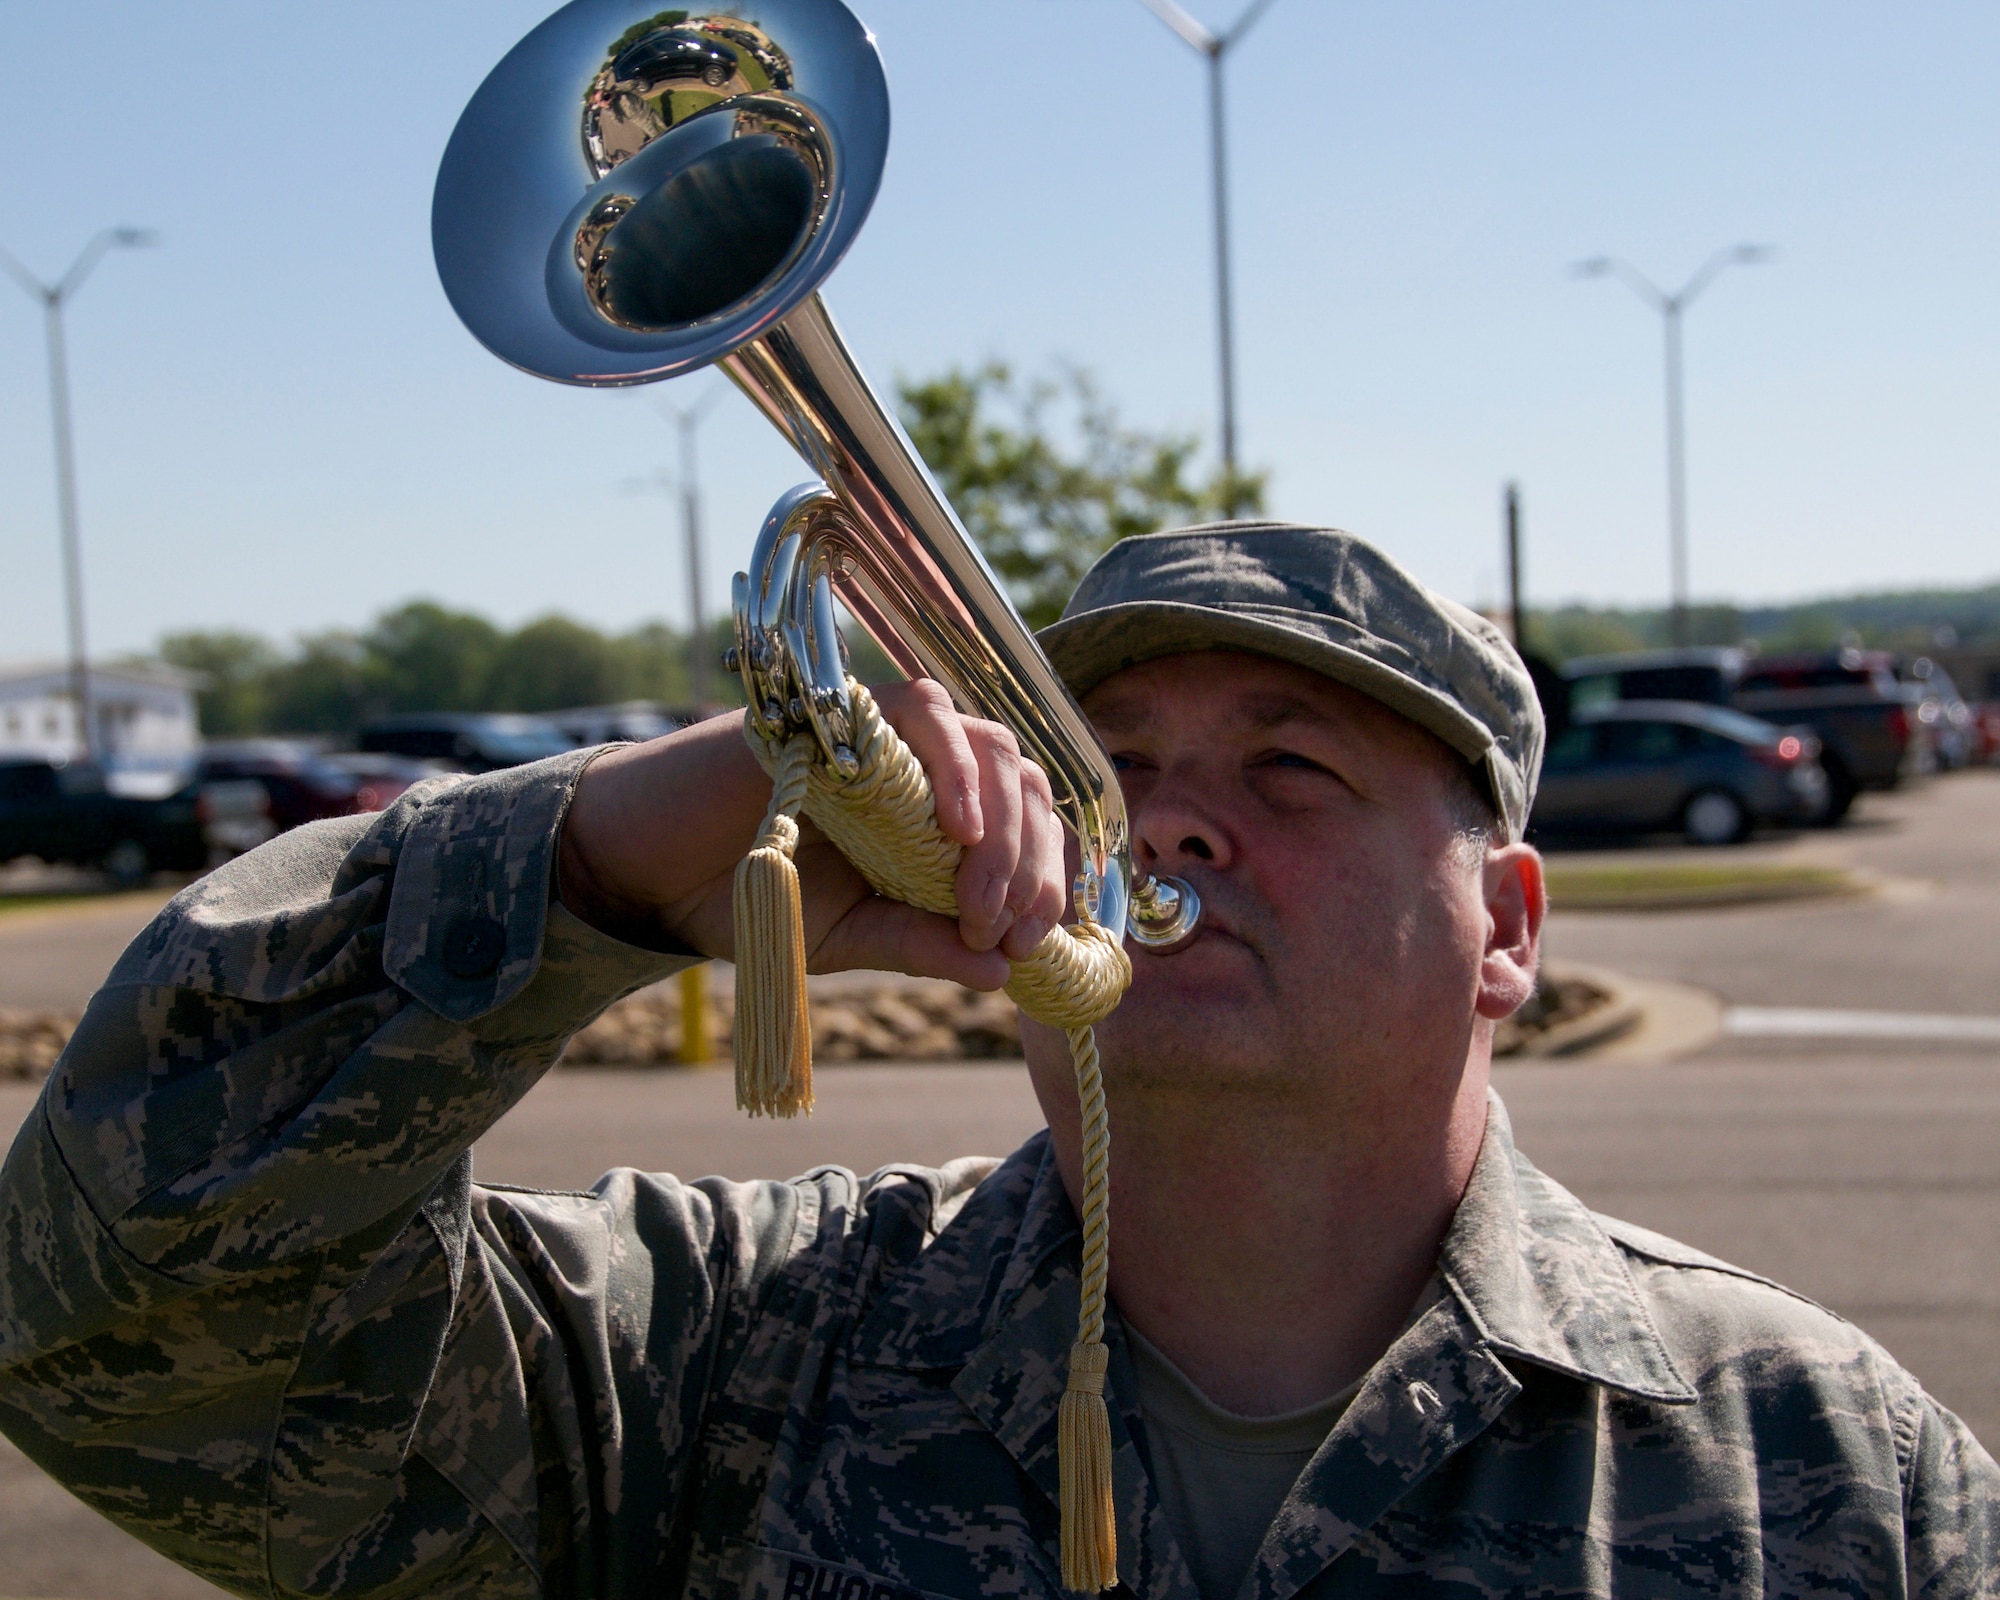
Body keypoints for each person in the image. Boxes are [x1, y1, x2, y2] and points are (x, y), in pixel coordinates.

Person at [0, 523, 1992, 1600]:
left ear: (1513, 934)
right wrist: (620, 859)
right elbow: (125, 1323)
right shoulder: (724, 1351)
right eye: (1112, 772)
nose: (1174, 827)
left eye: (1286, 768)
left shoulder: (1816, 1463)